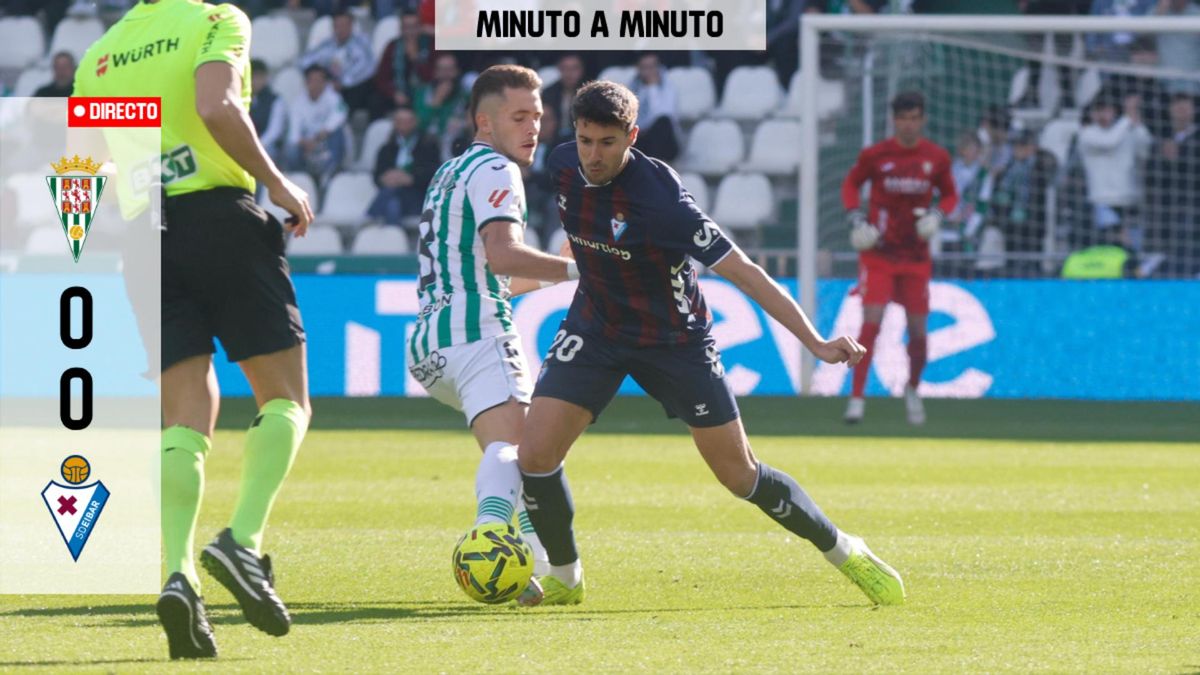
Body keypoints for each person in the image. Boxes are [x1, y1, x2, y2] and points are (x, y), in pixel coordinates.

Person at [515, 80, 903, 608]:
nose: (593, 155)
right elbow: (579, 238)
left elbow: (744, 271)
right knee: (536, 454)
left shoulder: (664, 202)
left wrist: (814, 342)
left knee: (739, 475)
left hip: (675, 341)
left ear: (632, 137)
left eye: (607, 143)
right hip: (596, 327)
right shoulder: (563, 166)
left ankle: (844, 549)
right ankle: (566, 574)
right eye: (585, 140)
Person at [73, 0, 315, 660]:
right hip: (220, 218)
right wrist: (278, 184)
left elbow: (86, 164)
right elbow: (215, 106)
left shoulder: (100, 55)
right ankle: (241, 542)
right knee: (287, 398)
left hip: (144, 235)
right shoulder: (215, 22)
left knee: (185, 412)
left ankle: (179, 572)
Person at [407, 65, 580, 605]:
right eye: (519, 116)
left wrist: (559, 272)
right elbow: (503, 254)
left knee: (519, 463)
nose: (534, 127)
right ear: (484, 121)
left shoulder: (449, 172)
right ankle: (489, 541)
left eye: (538, 116)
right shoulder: (497, 168)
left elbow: (489, 272)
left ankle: (531, 565)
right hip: (477, 332)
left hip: (431, 343)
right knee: (522, 451)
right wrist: (583, 268)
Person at [841, 91, 958, 425]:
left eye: (914, 118)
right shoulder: (876, 155)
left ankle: (913, 388)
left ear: (923, 120)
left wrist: (937, 214)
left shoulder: (935, 157)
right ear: (894, 120)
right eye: (903, 118)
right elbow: (851, 185)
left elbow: (950, 194)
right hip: (879, 253)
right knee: (871, 322)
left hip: (916, 256)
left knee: (918, 331)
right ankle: (857, 398)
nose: (909, 124)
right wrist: (856, 217)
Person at [367, 106, 439, 225]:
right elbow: (377, 175)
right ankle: (392, 235)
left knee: (391, 195)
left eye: (407, 121)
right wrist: (386, 178)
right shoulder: (386, 148)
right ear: (394, 123)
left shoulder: (428, 146)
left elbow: (434, 174)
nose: (403, 125)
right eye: (400, 121)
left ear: (415, 122)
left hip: (417, 197)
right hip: (393, 196)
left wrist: (411, 179)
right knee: (393, 206)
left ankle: (369, 218)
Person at [298, 9, 375, 113]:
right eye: (337, 26)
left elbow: (368, 67)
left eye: (344, 25)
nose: (340, 29)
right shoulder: (327, 44)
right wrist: (321, 76)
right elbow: (305, 61)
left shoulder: (361, 43)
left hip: (355, 85)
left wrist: (342, 82)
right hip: (330, 84)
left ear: (351, 26)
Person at [285, 65, 349, 187]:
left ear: (325, 83)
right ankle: (302, 179)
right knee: (291, 149)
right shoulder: (298, 103)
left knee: (338, 132)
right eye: (312, 80)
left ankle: (329, 174)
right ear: (306, 82)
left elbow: (341, 114)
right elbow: (293, 134)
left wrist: (320, 135)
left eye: (319, 80)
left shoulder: (333, 98)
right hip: (307, 146)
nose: (315, 84)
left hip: (326, 141)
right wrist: (305, 142)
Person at [249, 58, 287, 165]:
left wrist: (257, 146)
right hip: (247, 144)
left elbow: (274, 131)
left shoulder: (275, 100)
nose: (255, 81)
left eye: (259, 77)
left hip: (267, 146)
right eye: (253, 77)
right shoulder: (242, 99)